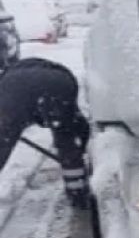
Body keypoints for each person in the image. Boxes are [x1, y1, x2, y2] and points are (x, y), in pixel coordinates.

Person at [0, 58, 91, 209]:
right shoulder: (41, 70)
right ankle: (78, 194)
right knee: (67, 138)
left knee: (3, 143)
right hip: (58, 83)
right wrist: (78, 151)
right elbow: (81, 126)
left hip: (14, 93)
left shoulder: (7, 81)